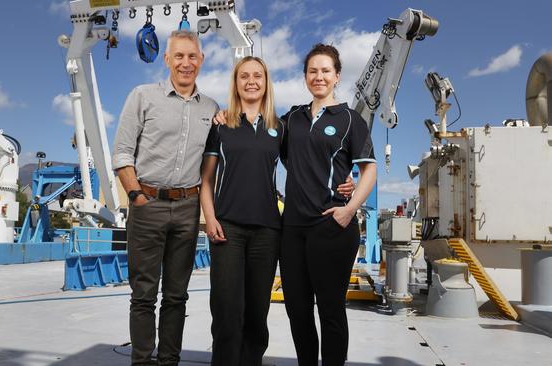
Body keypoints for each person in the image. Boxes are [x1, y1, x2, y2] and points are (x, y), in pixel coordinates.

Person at [204, 57, 354, 366]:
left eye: (258, 76)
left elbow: (308, 160)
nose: (251, 81)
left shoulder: (280, 127)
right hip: (227, 228)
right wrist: (210, 218)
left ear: (266, 82)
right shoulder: (221, 125)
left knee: (257, 315)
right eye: (244, 76)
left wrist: (344, 179)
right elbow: (205, 180)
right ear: (235, 83)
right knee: (226, 311)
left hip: (268, 232)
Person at [112, 30, 219, 366]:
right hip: (148, 204)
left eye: (192, 57)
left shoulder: (212, 108)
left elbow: (211, 164)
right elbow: (123, 152)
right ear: (167, 59)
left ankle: (169, 361)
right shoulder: (142, 96)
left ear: (201, 60)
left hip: (187, 209)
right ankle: (142, 361)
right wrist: (136, 196)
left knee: (176, 296)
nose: (186, 63)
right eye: (179, 56)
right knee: (143, 295)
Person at [279, 44, 377, 366]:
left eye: (325, 71)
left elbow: (369, 169)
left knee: (331, 309)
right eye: (312, 71)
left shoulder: (350, 120)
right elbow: (258, 131)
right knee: (297, 309)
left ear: (336, 76)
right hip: (292, 229)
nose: (318, 76)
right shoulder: (291, 118)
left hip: (332, 225)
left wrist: (349, 210)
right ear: (306, 77)